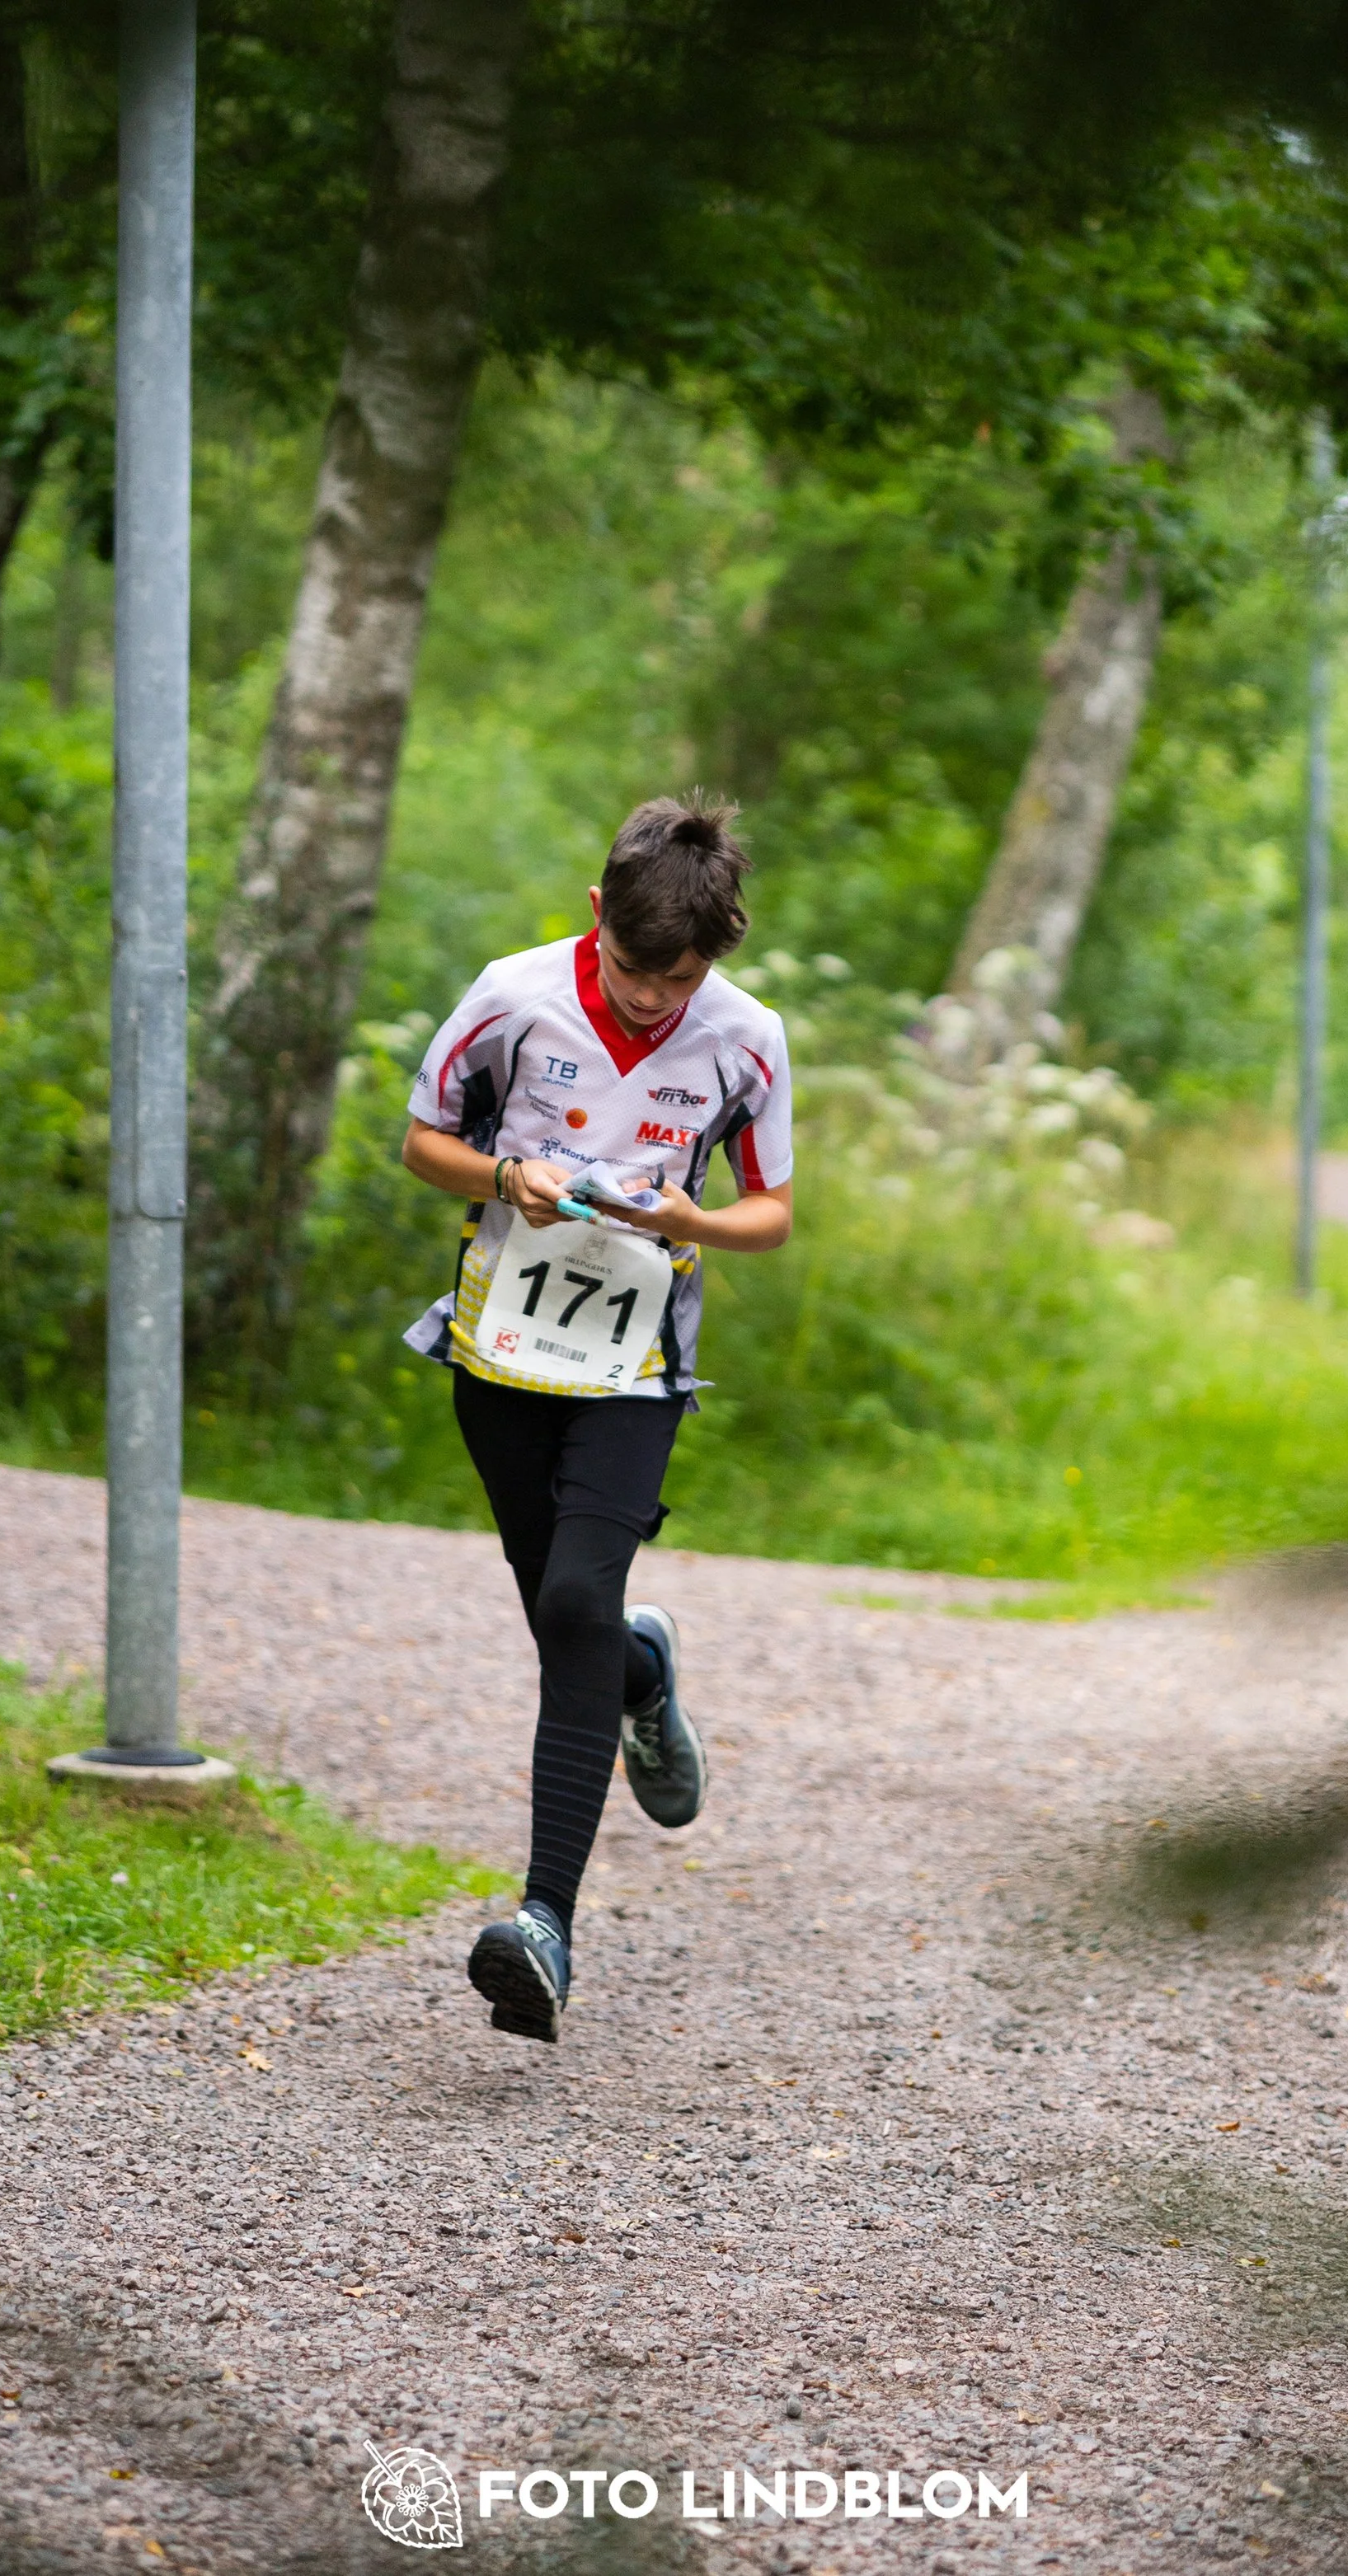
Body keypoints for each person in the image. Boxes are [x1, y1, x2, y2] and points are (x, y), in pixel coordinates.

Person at [399, 796, 793, 2043]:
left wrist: (695, 1223)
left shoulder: (748, 1041)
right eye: (629, 971)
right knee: (565, 1619)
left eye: (675, 982)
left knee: (575, 1599)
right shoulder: (513, 995)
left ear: (716, 957)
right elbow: (420, 1141)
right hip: (500, 1350)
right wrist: (504, 1175)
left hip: (636, 1369)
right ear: (595, 919)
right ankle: (643, 1670)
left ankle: (543, 1926)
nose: (645, 1001)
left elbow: (771, 1210)